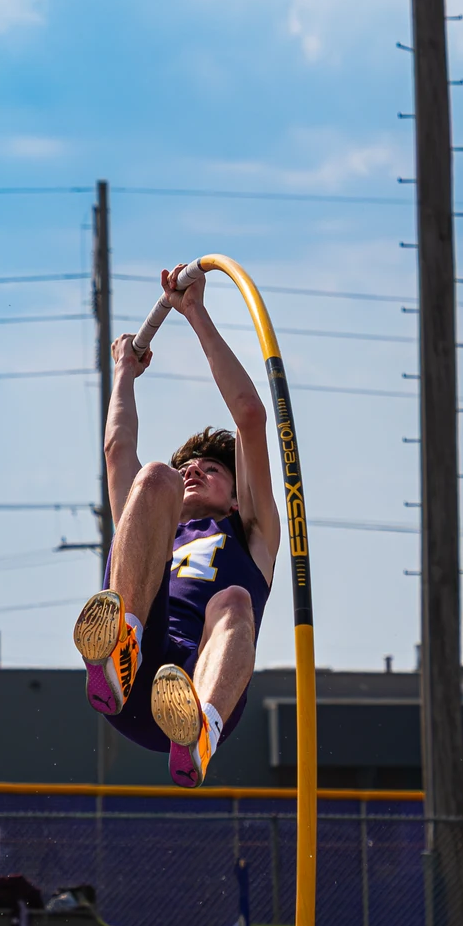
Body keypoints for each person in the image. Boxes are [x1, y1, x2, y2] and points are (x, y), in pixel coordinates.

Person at [72, 263, 281, 787]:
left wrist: (196, 313)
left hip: (196, 688)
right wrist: (124, 370)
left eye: (212, 470)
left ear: (236, 498)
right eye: (195, 464)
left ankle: (198, 734)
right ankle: (121, 643)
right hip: (131, 675)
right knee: (151, 477)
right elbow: (119, 450)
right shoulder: (152, 533)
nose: (196, 470)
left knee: (234, 601)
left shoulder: (250, 536)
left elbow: (249, 416)